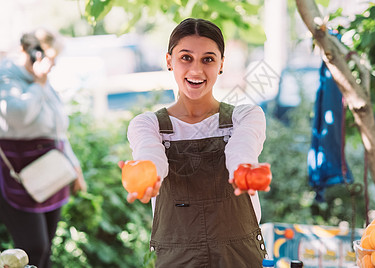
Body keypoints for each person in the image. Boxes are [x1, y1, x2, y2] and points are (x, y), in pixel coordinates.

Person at [123, 18, 269, 267]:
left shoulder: (245, 116)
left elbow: (242, 148)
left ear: (222, 64)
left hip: (239, 257)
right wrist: (148, 175)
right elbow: (150, 154)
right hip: (176, 259)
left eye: (208, 59)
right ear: (169, 61)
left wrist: (243, 171)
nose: (196, 71)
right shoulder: (147, 124)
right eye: (186, 58)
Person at [0, 28, 87, 268]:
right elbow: (16, 117)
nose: (52, 65)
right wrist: (38, 83)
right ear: (26, 52)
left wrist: (75, 167)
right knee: (32, 248)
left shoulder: (43, 82)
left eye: (54, 59)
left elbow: (58, 130)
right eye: (47, 57)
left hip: (50, 172)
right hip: (18, 175)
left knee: (45, 249)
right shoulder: (7, 76)